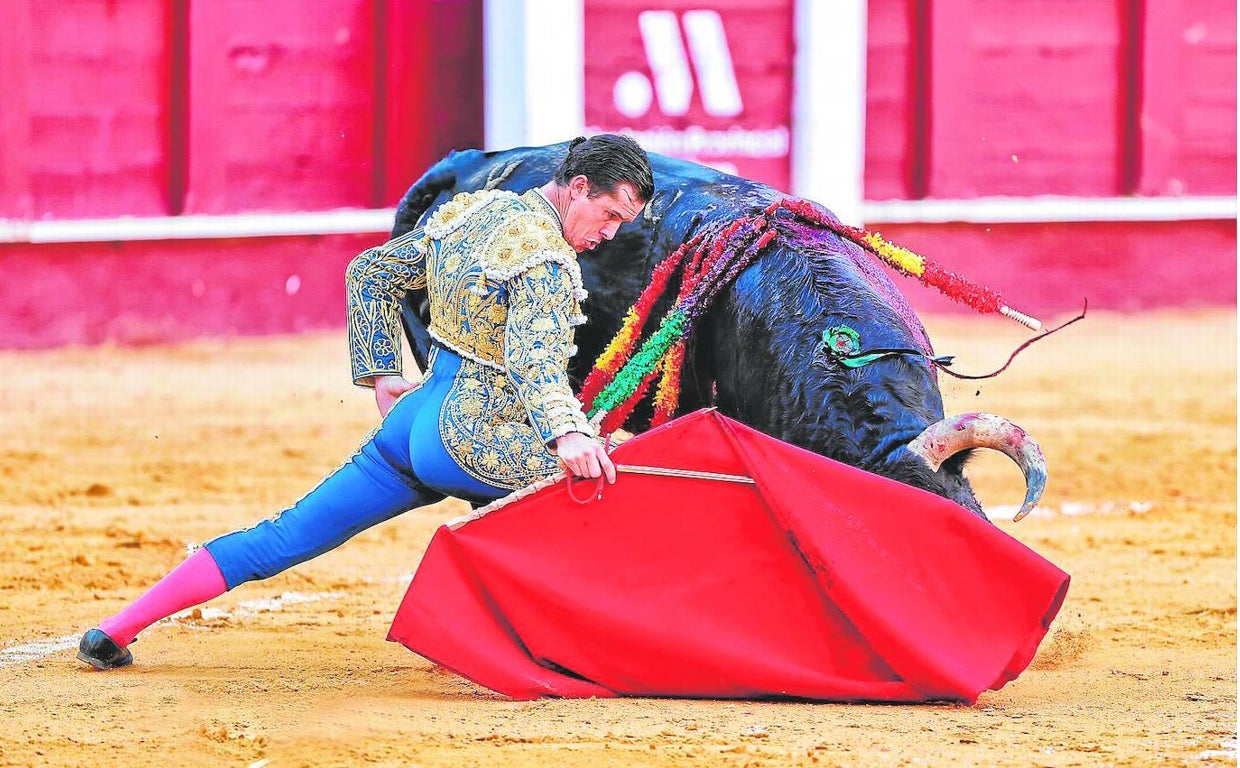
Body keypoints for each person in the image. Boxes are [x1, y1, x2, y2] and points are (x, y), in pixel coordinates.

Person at [77, 134, 655, 670]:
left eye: (620, 225)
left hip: (412, 425)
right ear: (578, 187)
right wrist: (569, 434)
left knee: (285, 535)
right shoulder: (547, 260)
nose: (608, 235)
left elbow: (370, 272)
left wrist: (383, 375)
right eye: (608, 216)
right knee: (608, 486)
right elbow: (536, 364)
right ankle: (593, 651)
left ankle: (116, 630)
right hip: (479, 439)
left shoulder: (475, 211)